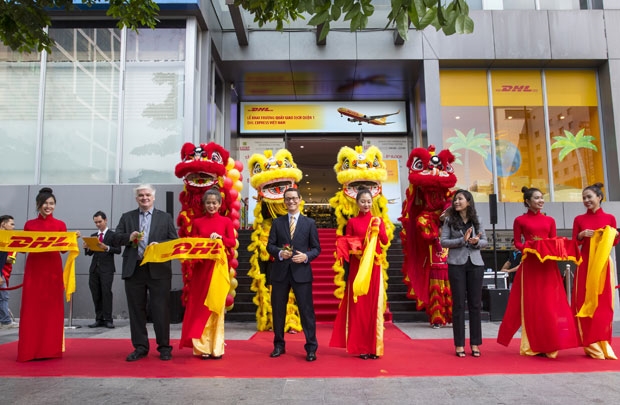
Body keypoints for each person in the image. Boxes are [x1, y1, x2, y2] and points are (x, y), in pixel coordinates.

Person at [498, 186, 578, 358]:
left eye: (542, 198)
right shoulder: (520, 220)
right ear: (527, 201)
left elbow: (553, 240)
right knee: (532, 304)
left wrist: (556, 245)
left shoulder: (550, 220)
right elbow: (517, 243)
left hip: (547, 265)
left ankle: (550, 343)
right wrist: (529, 247)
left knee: (549, 304)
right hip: (530, 264)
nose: (541, 201)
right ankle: (532, 344)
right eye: (537, 198)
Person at [114, 184, 179, 362]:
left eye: (148, 195)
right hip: (134, 268)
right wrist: (129, 237)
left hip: (158, 269)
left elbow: (174, 242)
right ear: (136, 198)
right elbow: (115, 238)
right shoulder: (127, 217)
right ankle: (140, 347)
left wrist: (160, 246)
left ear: (153, 197)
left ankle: (164, 347)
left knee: (161, 310)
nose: (145, 198)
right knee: (136, 310)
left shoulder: (165, 217)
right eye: (141, 195)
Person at [330, 187, 389, 359]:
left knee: (373, 307)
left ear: (372, 202)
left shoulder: (377, 220)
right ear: (357, 203)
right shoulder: (352, 222)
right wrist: (355, 247)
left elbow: (384, 241)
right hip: (357, 268)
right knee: (359, 307)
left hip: (373, 267)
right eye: (363, 201)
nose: (366, 204)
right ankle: (361, 347)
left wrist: (379, 230)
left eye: (369, 201)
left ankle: (374, 347)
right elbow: (346, 243)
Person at [180, 189, 235, 359]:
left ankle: (217, 347)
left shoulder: (226, 221)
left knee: (216, 305)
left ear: (219, 204)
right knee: (200, 306)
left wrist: (220, 239)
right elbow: (193, 244)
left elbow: (232, 242)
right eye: (208, 203)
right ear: (204, 204)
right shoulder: (197, 222)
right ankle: (202, 347)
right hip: (201, 269)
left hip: (218, 269)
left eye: (214, 203)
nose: (211, 205)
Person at [266, 188, 321, 362]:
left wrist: (306, 256)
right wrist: (280, 253)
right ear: (284, 201)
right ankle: (278, 345)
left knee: (306, 311)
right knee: (278, 310)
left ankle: (311, 348)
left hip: (301, 273)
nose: (291, 201)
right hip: (280, 273)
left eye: (294, 198)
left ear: (300, 199)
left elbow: (317, 248)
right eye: (288, 199)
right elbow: (270, 246)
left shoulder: (309, 223)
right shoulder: (277, 222)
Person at [17, 188, 68, 361]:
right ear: (38, 205)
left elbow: (63, 250)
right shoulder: (29, 225)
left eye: (51, 203)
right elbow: (22, 249)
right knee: (32, 308)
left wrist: (72, 239)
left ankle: (50, 350)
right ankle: (30, 350)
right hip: (34, 270)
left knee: (52, 309)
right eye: (45, 203)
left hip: (53, 271)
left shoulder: (60, 225)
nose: (48, 206)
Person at [572, 182, 619, 360]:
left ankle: (603, 342)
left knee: (603, 303)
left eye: (589, 197)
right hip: (585, 264)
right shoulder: (579, 219)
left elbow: (614, 242)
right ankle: (590, 343)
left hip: (603, 265)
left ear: (599, 197)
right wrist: (581, 235)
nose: (586, 200)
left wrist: (615, 234)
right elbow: (574, 243)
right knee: (584, 300)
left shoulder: (610, 218)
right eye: (584, 198)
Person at [440, 190, 487, 358]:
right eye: (455, 199)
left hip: (475, 264)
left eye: (460, 199)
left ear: (468, 201)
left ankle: (475, 343)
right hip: (456, 264)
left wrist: (476, 242)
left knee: (475, 305)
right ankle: (459, 344)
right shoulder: (449, 220)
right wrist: (462, 240)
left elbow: (485, 241)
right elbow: (443, 242)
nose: (456, 202)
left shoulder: (477, 219)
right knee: (459, 304)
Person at [83, 211, 120, 329]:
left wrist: (106, 247)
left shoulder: (113, 235)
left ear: (105, 220)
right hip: (94, 269)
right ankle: (99, 319)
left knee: (106, 293)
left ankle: (108, 319)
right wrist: (87, 248)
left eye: (100, 221)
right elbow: (90, 253)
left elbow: (118, 250)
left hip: (107, 269)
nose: (98, 224)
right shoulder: (94, 235)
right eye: (96, 222)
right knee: (96, 294)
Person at [0, 215, 18, 329]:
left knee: (3, 296)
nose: (13, 227)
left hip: (3, 272)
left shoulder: (8, 239)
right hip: (1, 273)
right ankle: (5, 321)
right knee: (4, 297)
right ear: (3, 224)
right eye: (11, 224)